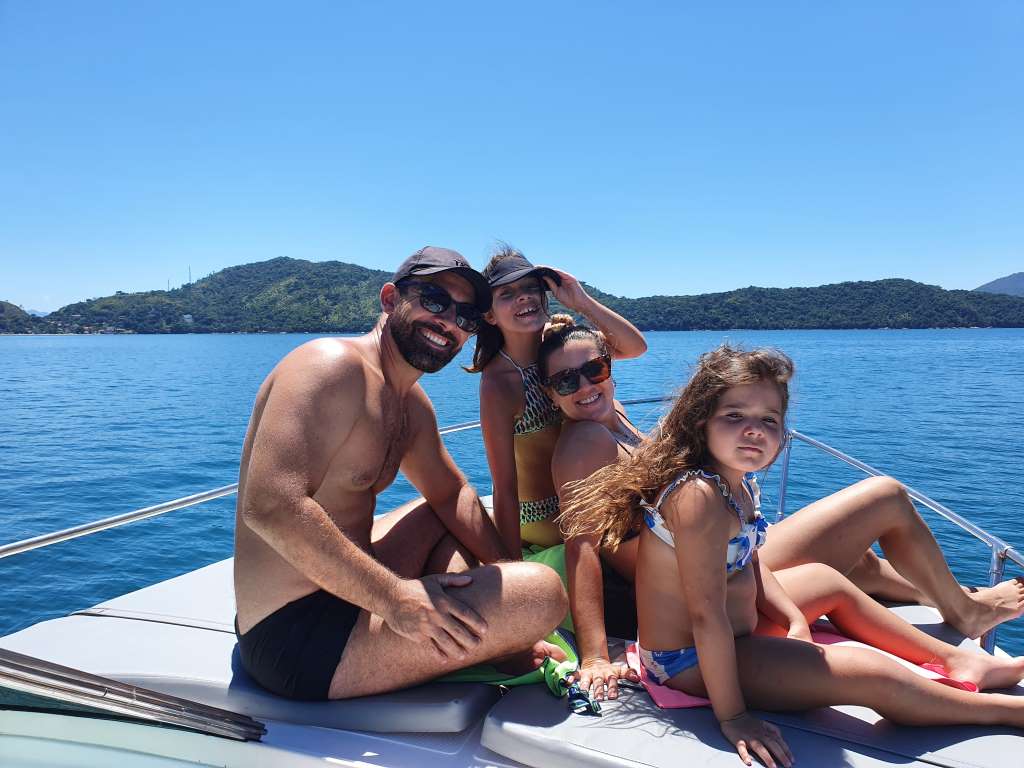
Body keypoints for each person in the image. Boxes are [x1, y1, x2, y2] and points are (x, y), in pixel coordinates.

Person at [563, 345, 1024, 768]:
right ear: (701, 421)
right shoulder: (697, 497)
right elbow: (706, 617)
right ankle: (1005, 711)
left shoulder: (736, 481)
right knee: (870, 673)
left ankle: (959, 662)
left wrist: (792, 618)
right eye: (735, 415)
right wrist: (734, 716)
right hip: (690, 659)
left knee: (825, 580)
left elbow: (748, 560)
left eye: (769, 420)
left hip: (737, 630)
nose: (753, 430)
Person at [233, 246, 568, 701]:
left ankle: (480, 636)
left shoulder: (409, 403)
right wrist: (397, 600)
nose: (449, 322)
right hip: (296, 640)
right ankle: (479, 636)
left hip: (351, 594)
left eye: (466, 316)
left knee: (443, 517)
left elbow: (452, 496)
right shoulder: (329, 365)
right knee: (544, 594)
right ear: (390, 299)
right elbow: (270, 505)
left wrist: (506, 574)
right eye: (435, 300)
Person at [467, 245, 646, 557]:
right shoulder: (499, 384)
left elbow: (635, 348)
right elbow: (504, 486)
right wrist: (512, 565)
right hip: (545, 517)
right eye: (507, 294)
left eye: (530, 288)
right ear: (489, 315)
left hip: (584, 493)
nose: (523, 297)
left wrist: (581, 301)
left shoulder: (558, 349)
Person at [538, 315, 646, 701]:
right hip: (678, 587)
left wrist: (578, 298)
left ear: (609, 366)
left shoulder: (614, 413)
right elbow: (581, 546)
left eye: (594, 369)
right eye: (566, 381)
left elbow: (636, 346)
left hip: (710, 559)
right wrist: (596, 657)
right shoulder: (584, 441)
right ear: (551, 394)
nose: (584, 386)